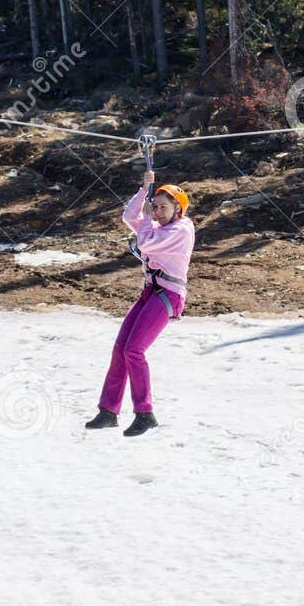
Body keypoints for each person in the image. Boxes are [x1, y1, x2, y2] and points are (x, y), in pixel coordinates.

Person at [86, 169, 195, 437]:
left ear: (177, 209)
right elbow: (128, 217)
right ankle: (108, 411)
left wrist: (147, 218)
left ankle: (145, 414)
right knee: (120, 348)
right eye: (154, 207)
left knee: (134, 350)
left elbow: (145, 243)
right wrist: (144, 189)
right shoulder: (156, 226)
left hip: (168, 295)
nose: (157, 212)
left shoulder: (181, 230)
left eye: (163, 208)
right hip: (150, 293)